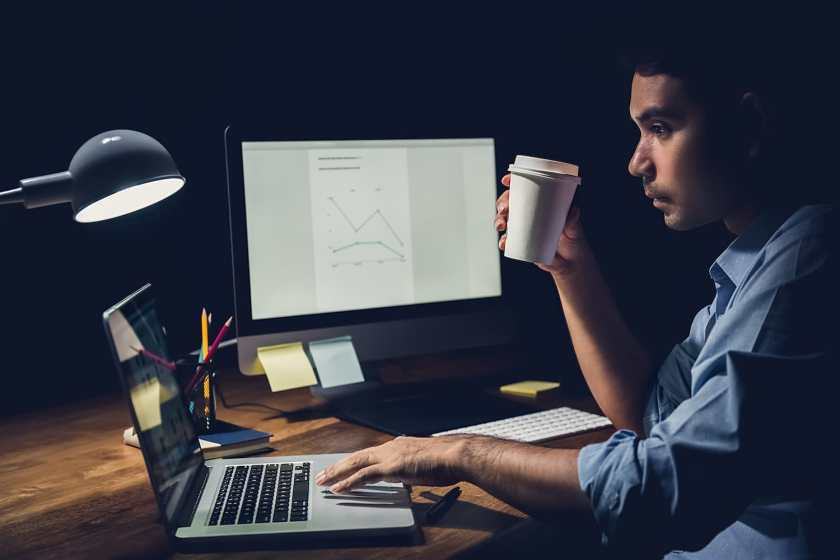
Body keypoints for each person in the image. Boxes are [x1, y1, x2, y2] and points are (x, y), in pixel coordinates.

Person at [315, 45, 838, 558]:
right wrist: (569, 266)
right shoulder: (754, 267)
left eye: (660, 128)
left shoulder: (801, 269)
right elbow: (647, 412)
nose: (636, 162)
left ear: (749, 126)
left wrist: (460, 452)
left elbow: (663, 486)